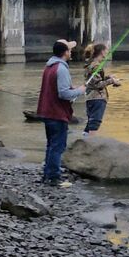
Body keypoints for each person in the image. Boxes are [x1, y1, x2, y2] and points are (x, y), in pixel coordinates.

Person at [36, 39, 85, 185]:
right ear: (65, 53)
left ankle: (48, 174)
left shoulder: (49, 66)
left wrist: (73, 89)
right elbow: (63, 93)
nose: (71, 53)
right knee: (57, 146)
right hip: (57, 113)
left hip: (47, 112)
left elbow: (56, 88)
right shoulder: (61, 68)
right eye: (69, 50)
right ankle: (54, 177)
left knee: (51, 145)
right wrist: (80, 91)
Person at [81, 42, 121, 136]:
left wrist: (108, 78)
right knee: (95, 122)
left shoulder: (91, 64)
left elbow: (93, 81)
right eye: (106, 50)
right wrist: (112, 81)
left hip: (91, 97)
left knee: (90, 122)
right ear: (102, 52)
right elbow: (98, 84)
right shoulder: (96, 66)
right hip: (97, 98)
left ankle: (85, 141)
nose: (107, 52)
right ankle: (91, 144)